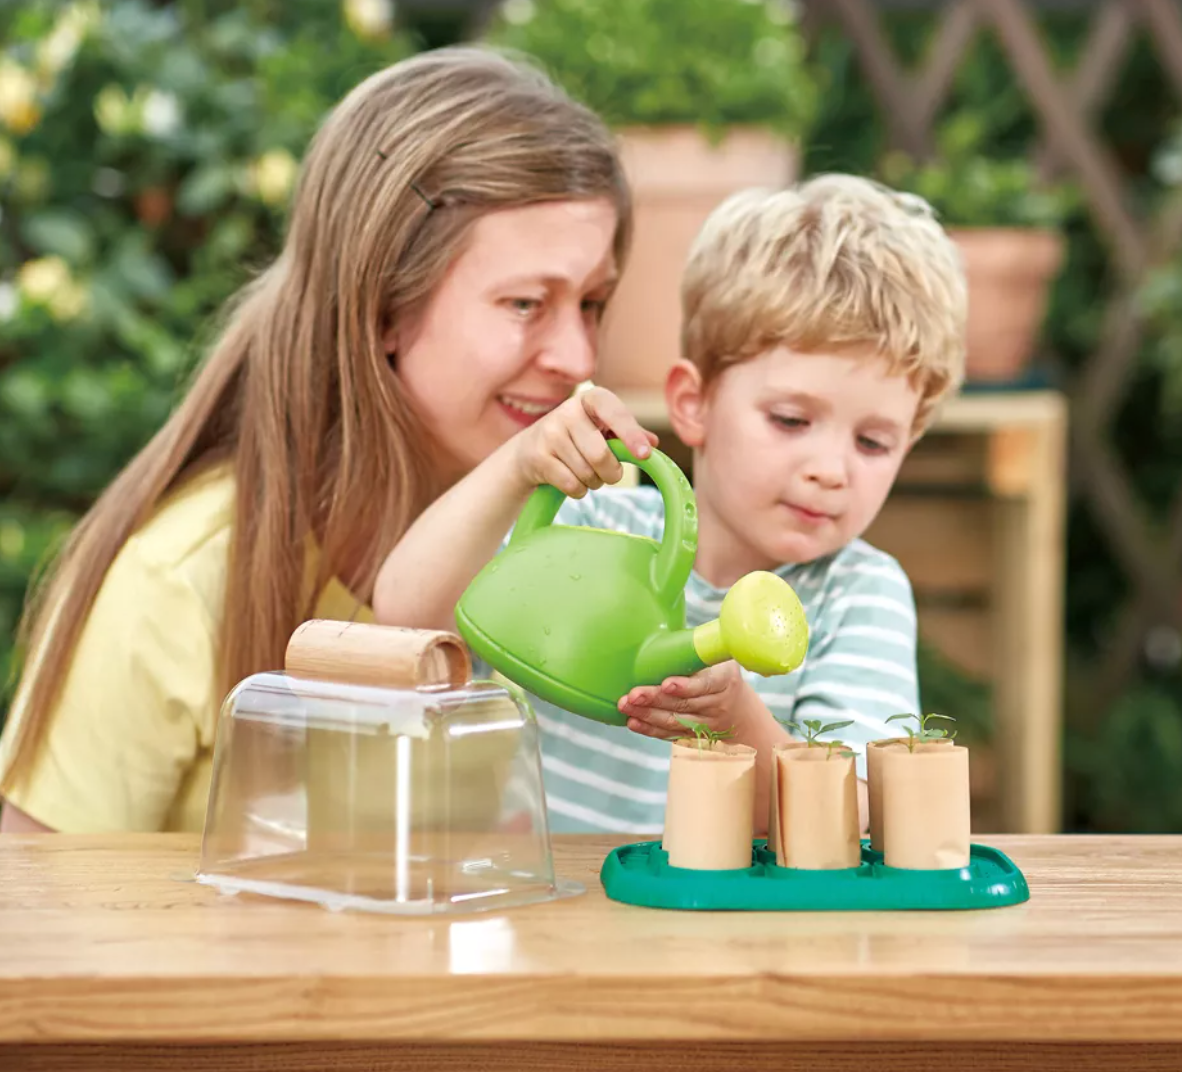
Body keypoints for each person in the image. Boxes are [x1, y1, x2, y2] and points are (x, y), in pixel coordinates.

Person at [0, 45, 648, 833]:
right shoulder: (178, 582)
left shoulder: (587, 518)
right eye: (523, 304)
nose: (576, 359)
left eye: (593, 304)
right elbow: (36, 908)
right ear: (380, 309)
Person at [373, 174, 968, 836]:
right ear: (694, 403)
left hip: (737, 935)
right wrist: (516, 466)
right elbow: (404, 614)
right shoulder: (592, 526)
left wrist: (737, 720)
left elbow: (850, 822)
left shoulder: (857, 594)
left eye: (874, 441)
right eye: (792, 420)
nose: (830, 470)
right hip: (548, 917)